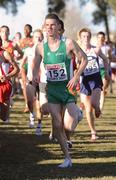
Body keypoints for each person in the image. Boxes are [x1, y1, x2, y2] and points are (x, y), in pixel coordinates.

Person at [34, 13, 87, 168]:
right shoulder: (40, 47)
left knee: (68, 127)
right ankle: (67, 159)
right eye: (47, 25)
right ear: (44, 28)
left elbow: (84, 59)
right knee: (57, 126)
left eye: (53, 25)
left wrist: (76, 76)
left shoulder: (69, 43)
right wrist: (35, 76)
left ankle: (78, 113)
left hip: (68, 89)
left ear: (59, 27)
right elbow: (35, 64)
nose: (49, 28)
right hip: (52, 90)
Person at [78, 28, 110, 141]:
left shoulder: (95, 50)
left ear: (90, 37)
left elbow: (106, 60)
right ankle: (93, 132)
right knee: (87, 109)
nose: (86, 38)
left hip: (96, 79)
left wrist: (106, 72)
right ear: (80, 38)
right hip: (84, 81)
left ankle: (97, 107)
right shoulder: (77, 51)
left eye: (88, 36)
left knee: (93, 103)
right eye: (83, 36)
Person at [20, 29, 44, 134]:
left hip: (42, 80)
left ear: (42, 38)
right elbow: (22, 64)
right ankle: (31, 115)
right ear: (33, 39)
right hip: (30, 79)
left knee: (39, 104)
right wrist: (24, 76)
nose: (38, 38)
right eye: (36, 37)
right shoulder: (28, 50)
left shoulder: (46, 50)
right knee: (30, 101)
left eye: (40, 37)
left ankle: (39, 125)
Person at [0, 41, 19, 123]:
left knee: (4, 117)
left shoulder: (4, 54)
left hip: (4, 86)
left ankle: (8, 102)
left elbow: (17, 69)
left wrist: (7, 76)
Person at [96, 31, 112, 110]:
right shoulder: (94, 47)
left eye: (102, 38)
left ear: (104, 38)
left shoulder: (107, 48)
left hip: (105, 69)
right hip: (96, 69)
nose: (101, 39)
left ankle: (100, 109)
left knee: (102, 90)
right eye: (99, 38)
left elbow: (111, 58)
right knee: (97, 90)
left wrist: (109, 58)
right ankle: (96, 104)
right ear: (97, 38)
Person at [20, 24, 33, 113]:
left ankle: (34, 102)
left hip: (32, 64)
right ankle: (27, 104)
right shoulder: (21, 41)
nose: (26, 31)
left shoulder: (33, 40)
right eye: (25, 29)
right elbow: (19, 53)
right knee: (25, 85)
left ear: (31, 30)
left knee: (32, 85)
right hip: (24, 65)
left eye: (28, 29)